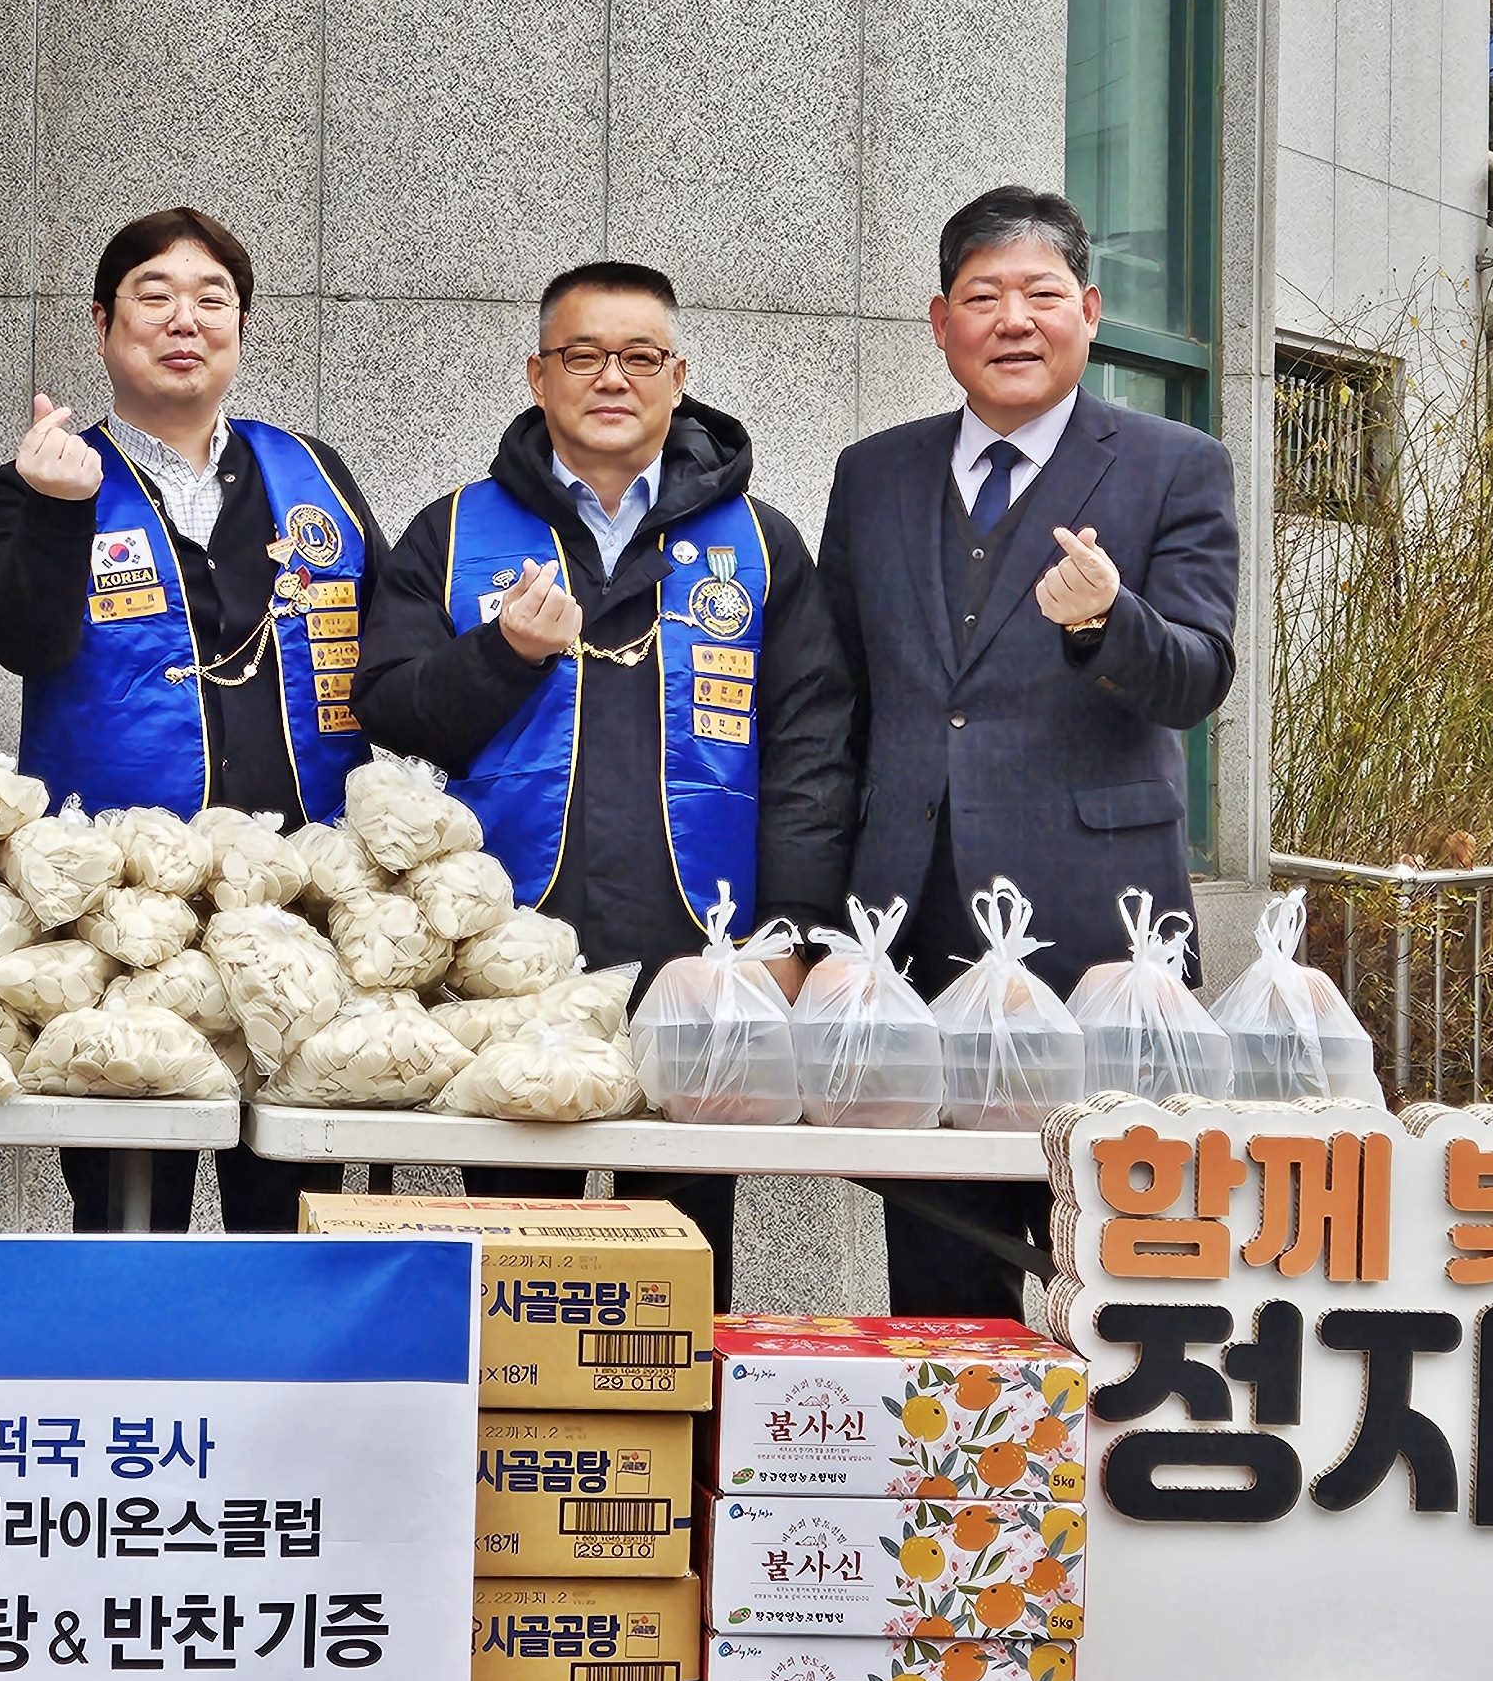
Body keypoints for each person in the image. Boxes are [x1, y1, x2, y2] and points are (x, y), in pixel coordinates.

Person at [353, 262, 855, 1281]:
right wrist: (503, 653)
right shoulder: (454, 533)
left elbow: (815, 752)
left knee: (673, 1270)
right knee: (507, 1269)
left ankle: (670, 1442)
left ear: (679, 375)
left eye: (639, 356)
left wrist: (791, 935)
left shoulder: (759, 544)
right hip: (501, 961)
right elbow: (388, 715)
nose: (611, 378)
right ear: (537, 375)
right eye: (583, 355)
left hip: (702, 962)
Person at [820, 185, 1238, 1316]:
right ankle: (957, 1479)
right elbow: (840, 699)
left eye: (1041, 293)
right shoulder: (873, 473)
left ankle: (1107, 1484)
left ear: (1089, 310)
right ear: (939, 322)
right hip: (916, 906)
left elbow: (1198, 675)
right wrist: (821, 916)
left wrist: (1109, 620)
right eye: (982, 296)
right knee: (938, 1244)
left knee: (1105, 1246)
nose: (1013, 319)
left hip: (1097, 918)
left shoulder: (1173, 464)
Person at [0, 208, 384, 1231]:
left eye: (213, 301)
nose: (184, 320)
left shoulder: (312, 475)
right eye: (153, 297)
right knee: (128, 1206)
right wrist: (60, 510)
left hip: (298, 898)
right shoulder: (40, 473)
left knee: (290, 1206)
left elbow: (396, 657)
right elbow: (18, 638)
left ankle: (284, 1391)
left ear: (241, 329)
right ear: (103, 324)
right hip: (120, 911)